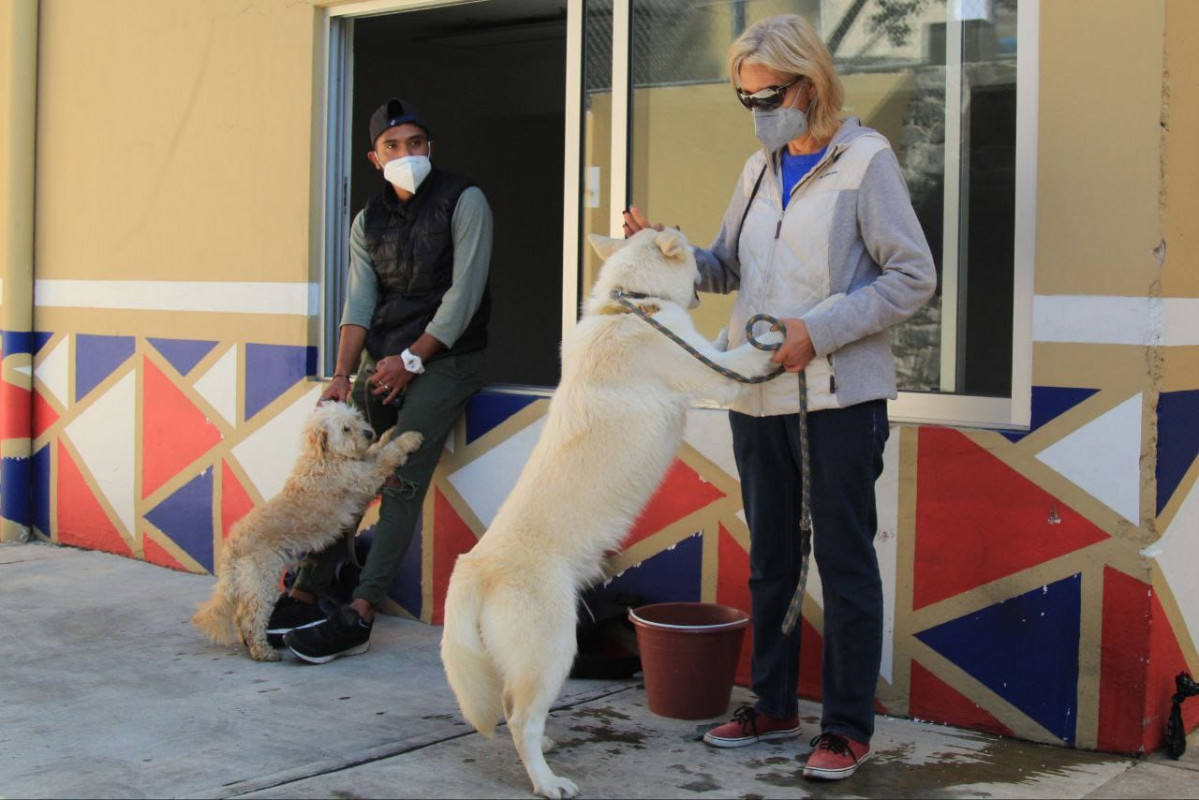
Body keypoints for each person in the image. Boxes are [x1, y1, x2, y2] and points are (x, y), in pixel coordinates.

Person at [624, 14, 935, 781]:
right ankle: (770, 704)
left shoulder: (866, 162)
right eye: (746, 101)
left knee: (843, 560)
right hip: (757, 393)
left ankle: (846, 728)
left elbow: (911, 277)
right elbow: (726, 267)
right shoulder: (758, 169)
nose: (760, 112)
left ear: (809, 82)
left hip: (836, 398)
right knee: (770, 561)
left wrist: (818, 330)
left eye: (768, 96)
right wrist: (664, 248)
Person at [268, 97, 492, 664]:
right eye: (393, 146)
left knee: (399, 479)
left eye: (416, 143)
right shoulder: (368, 220)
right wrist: (343, 376)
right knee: (342, 475)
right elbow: (360, 301)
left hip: (447, 360)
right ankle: (304, 589)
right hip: (385, 362)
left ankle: (362, 612)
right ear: (374, 157)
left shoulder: (465, 200)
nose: (406, 153)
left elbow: (463, 297)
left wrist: (412, 359)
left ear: (430, 148)